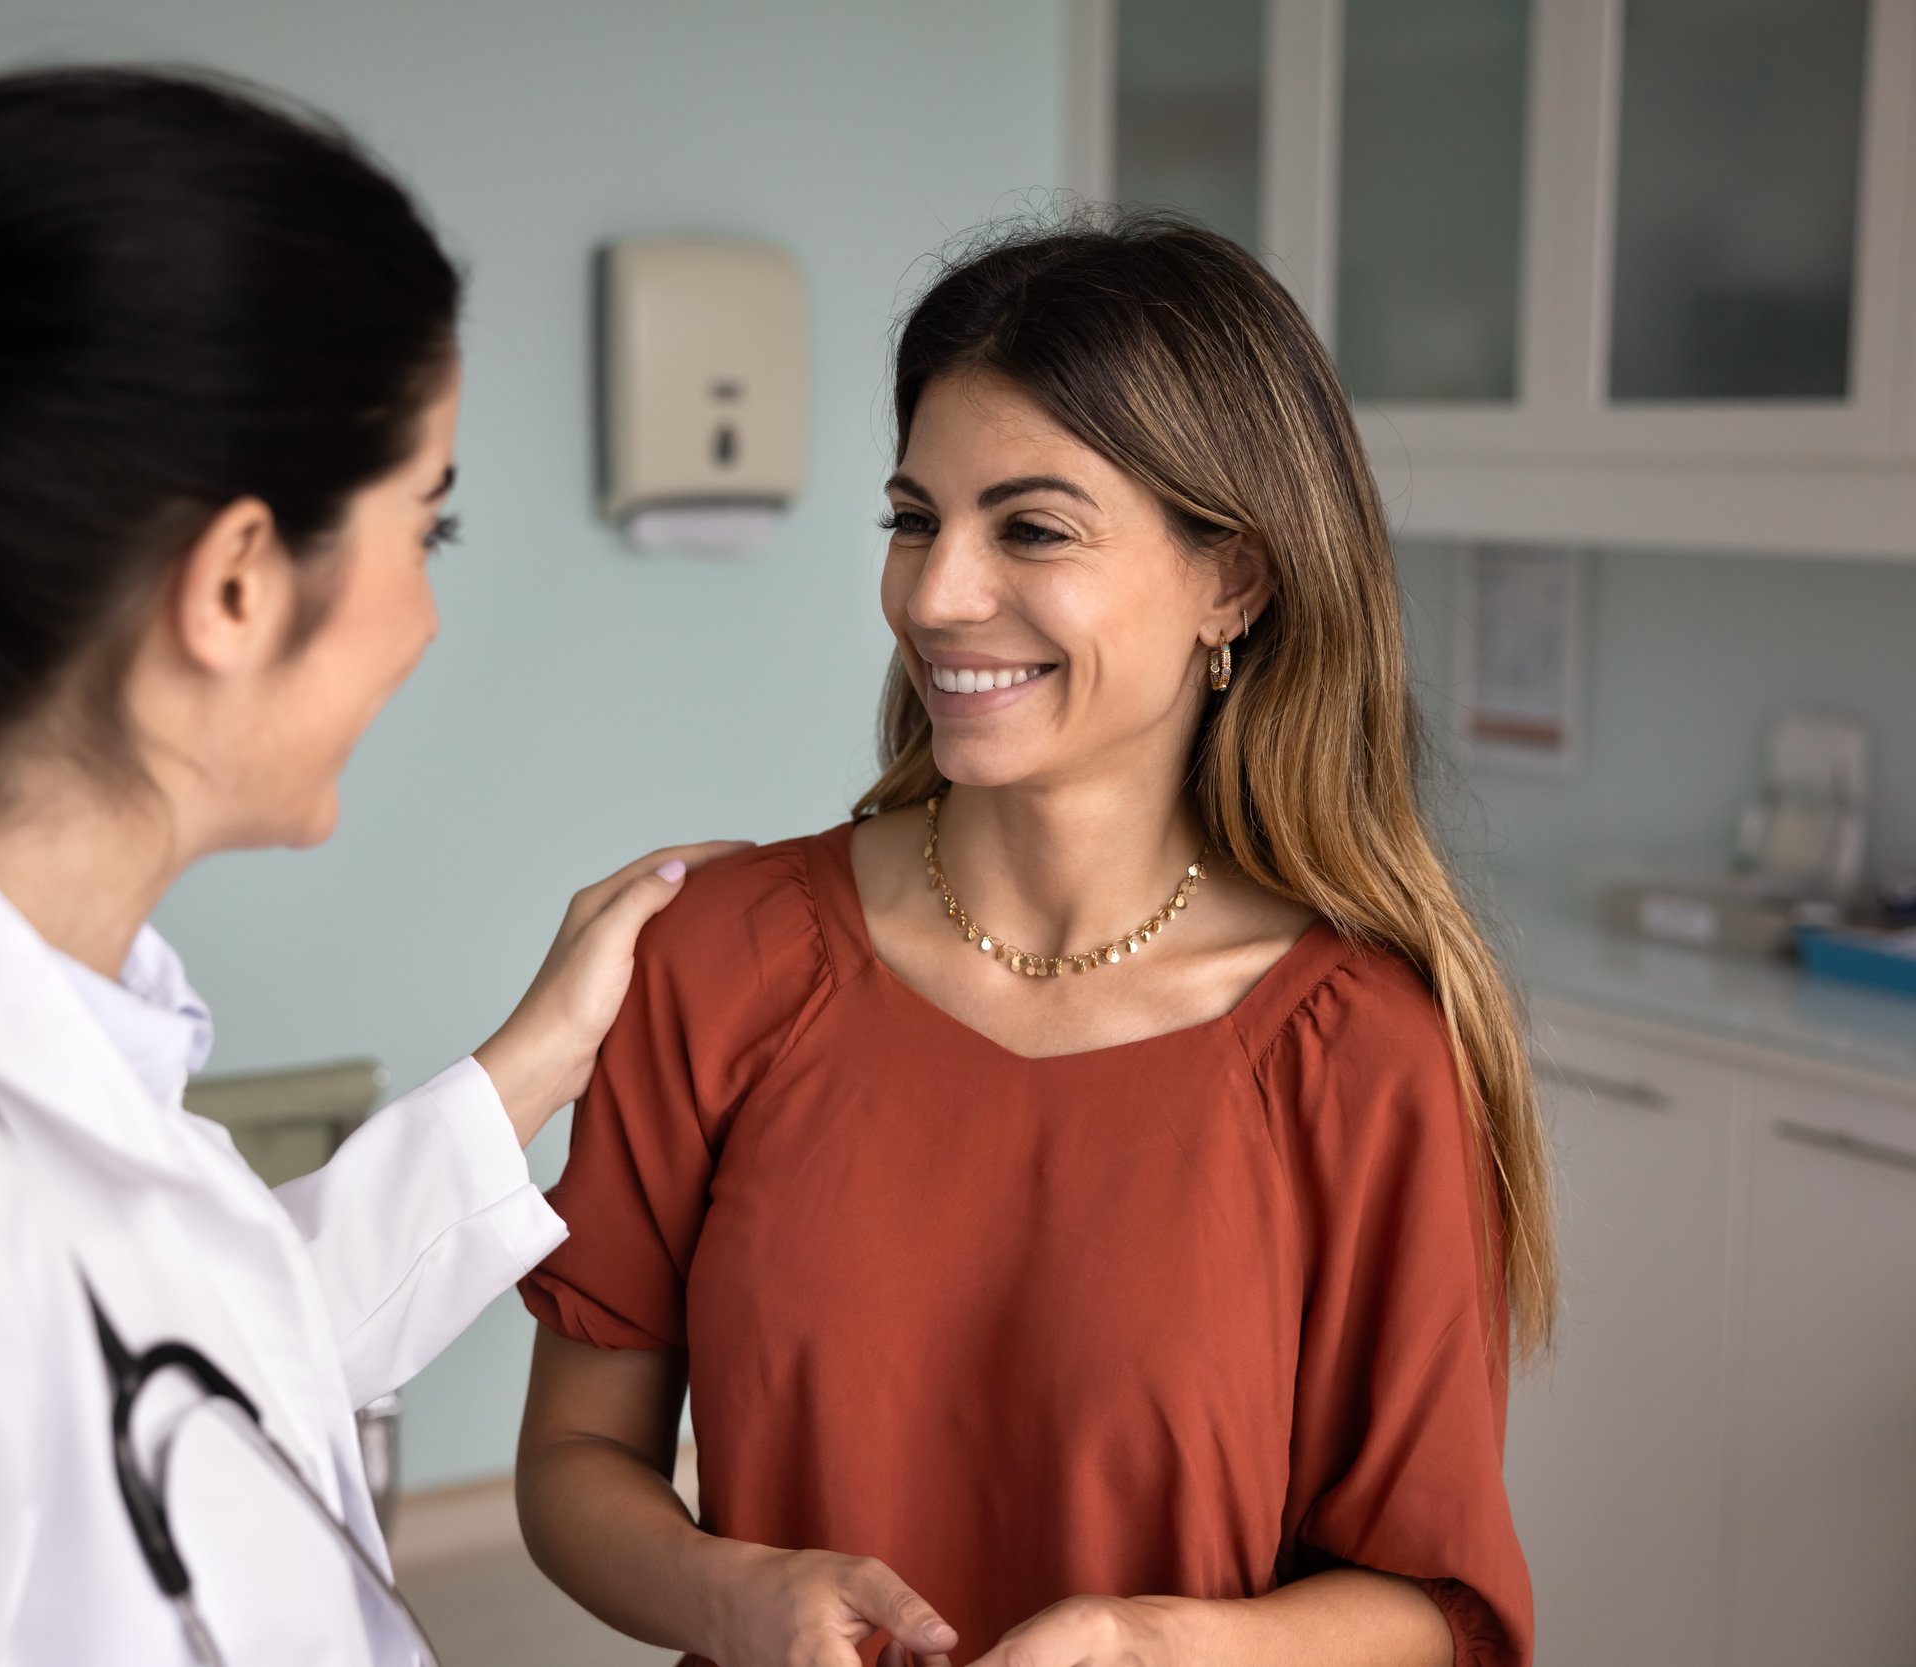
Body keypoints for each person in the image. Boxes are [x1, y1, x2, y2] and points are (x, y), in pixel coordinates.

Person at [0, 67, 739, 1667]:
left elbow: (190, 1362)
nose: (426, 618)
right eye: (429, 529)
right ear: (239, 586)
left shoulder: (36, 1067)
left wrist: (534, 1064)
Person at [512, 215, 1552, 1667]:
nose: (934, 596)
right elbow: (573, 1464)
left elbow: (1435, 1609)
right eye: (913, 519)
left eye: (1034, 529)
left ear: (1232, 581)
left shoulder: (1362, 1052)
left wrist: (1158, 1650)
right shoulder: (721, 963)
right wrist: (729, 1597)